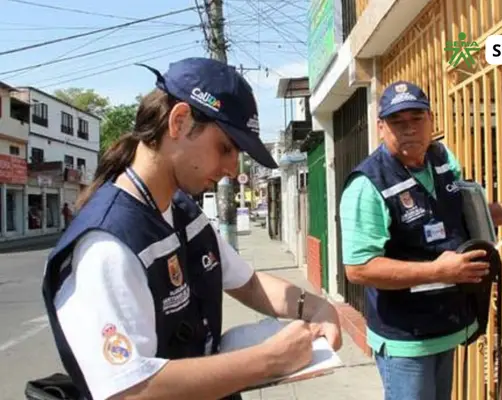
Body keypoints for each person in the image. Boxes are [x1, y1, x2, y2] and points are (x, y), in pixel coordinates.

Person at [41, 57, 342, 400]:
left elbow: (250, 283)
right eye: (226, 148)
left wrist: (314, 307)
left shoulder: (184, 212)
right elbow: (128, 390)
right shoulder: (107, 244)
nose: (232, 167)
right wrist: (269, 359)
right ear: (179, 122)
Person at [338, 81, 502, 400]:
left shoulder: (442, 158)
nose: (409, 129)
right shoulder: (367, 185)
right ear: (381, 127)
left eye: (416, 119)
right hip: (406, 339)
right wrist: (439, 271)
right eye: (397, 122)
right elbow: (359, 269)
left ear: (431, 120)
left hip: (446, 326)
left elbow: (462, 214)